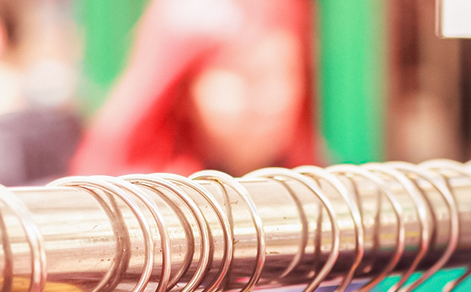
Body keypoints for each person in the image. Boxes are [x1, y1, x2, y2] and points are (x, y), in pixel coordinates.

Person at [70, 0, 316, 177]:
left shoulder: (318, 187)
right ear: (183, 88)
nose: (271, 100)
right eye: (245, 75)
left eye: (285, 71)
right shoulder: (138, 201)